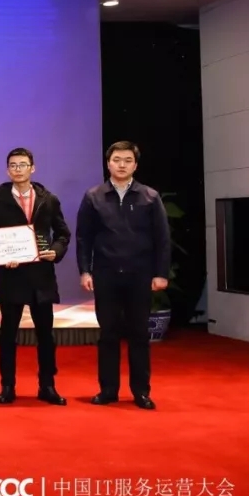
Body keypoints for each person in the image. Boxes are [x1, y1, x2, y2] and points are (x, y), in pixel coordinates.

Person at [76, 141, 169, 410]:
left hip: (140, 275)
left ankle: (141, 391)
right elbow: (84, 238)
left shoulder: (149, 196)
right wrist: (85, 271)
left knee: (139, 334)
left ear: (135, 165)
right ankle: (108, 390)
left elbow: (162, 238)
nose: (121, 165)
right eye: (116, 160)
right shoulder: (93, 196)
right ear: (108, 163)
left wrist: (161, 274)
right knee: (108, 334)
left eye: (128, 160)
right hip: (105, 275)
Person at [0, 148, 69, 406]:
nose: (18, 169)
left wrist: (55, 251)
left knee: (46, 335)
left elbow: (63, 234)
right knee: (8, 334)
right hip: (11, 276)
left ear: (33, 168)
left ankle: (47, 386)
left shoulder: (49, 200)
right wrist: (2, 257)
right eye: (13, 165)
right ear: (7, 170)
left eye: (23, 164)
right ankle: (7, 386)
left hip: (41, 276)